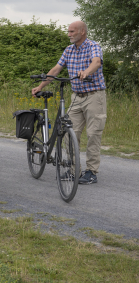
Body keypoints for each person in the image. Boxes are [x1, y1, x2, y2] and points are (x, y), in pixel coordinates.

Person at [31, 20, 107, 184]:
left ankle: (91, 172)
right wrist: (40, 86)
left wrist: (86, 72)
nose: (69, 34)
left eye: (72, 31)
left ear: (82, 32)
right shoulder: (69, 50)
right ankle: (73, 171)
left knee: (94, 134)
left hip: (94, 96)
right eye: (69, 31)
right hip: (76, 96)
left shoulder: (93, 46)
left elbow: (96, 62)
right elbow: (56, 69)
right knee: (69, 133)